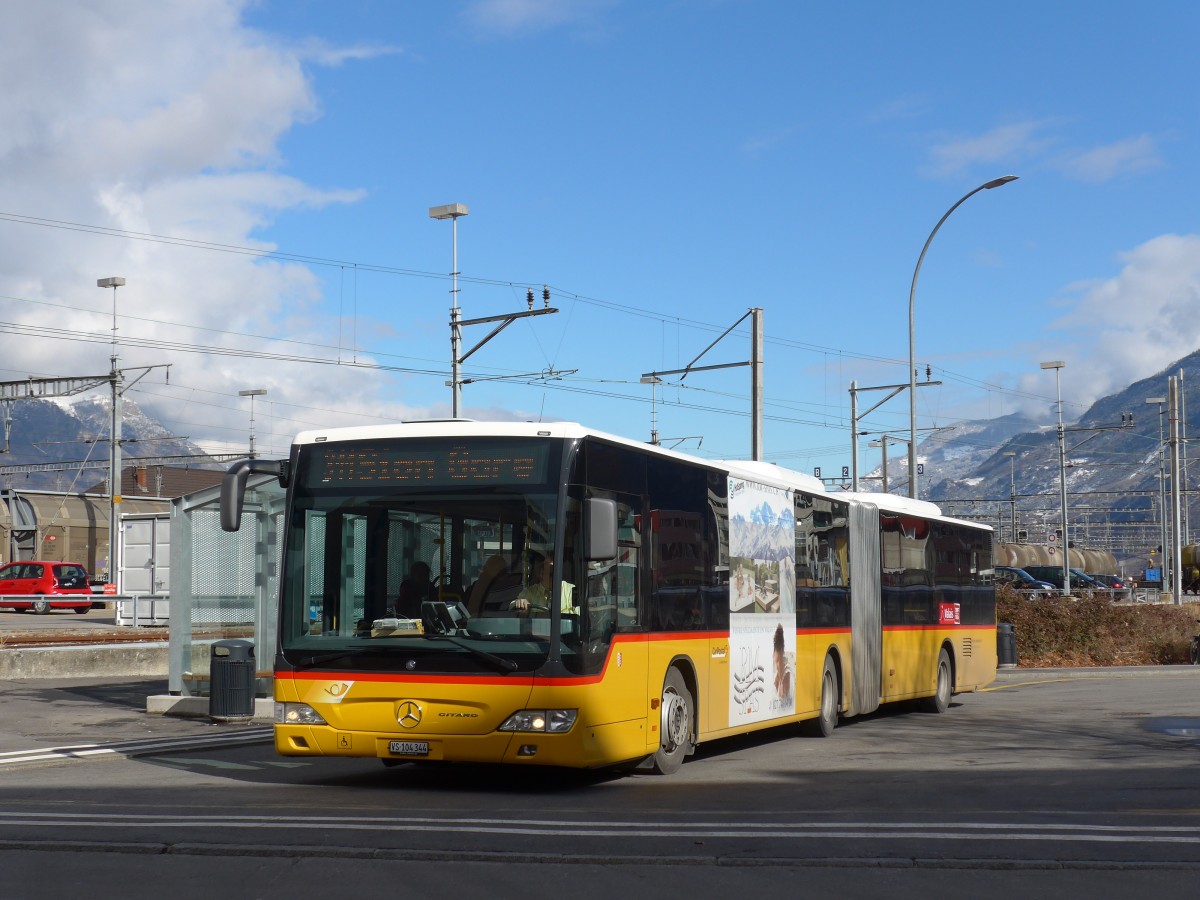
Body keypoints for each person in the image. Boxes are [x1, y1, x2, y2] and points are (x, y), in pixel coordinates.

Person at [511, 555, 576, 614]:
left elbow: (579, 613)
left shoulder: (571, 590)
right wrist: (520, 603)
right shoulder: (531, 591)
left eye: (557, 573)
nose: (555, 577)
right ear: (541, 574)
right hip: (536, 626)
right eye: (551, 574)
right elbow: (511, 606)